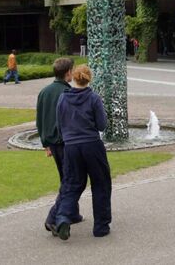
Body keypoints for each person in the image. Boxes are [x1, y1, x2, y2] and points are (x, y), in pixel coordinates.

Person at [54, 65, 112, 240]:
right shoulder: (93, 98)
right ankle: (101, 226)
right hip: (91, 144)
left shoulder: (63, 98)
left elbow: (59, 124)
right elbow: (102, 125)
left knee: (72, 183)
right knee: (101, 183)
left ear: (74, 78)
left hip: (71, 146)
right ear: (89, 79)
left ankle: (63, 217)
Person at [36, 58, 83, 234]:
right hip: (65, 143)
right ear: (68, 72)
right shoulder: (67, 92)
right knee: (72, 181)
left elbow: (40, 119)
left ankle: (72, 213)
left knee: (66, 178)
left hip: (53, 144)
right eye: (72, 70)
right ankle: (53, 218)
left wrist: (45, 144)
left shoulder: (44, 92)